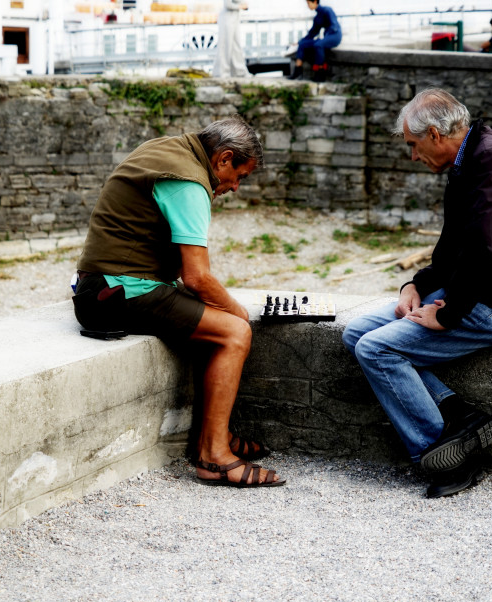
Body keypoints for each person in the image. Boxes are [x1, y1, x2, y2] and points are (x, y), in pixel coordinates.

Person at [342, 88, 492, 499]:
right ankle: (458, 414)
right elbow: (453, 251)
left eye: (412, 145)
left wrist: (448, 313)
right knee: (355, 334)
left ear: (435, 134)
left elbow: (488, 253)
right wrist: (416, 286)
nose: (412, 156)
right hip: (476, 292)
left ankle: (444, 452)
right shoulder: (469, 161)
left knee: (377, 350)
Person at [73, 116, 285, 488]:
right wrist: (239, 314)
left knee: (216, 327)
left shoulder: (164, 149)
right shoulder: (188, 180)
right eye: (240, 176)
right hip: (118, 292)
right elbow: (198, 277)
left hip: (104, 287)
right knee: (234, 332)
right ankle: (214, 458)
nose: (235, 187)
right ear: (224, 158)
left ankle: (214, 436)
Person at [289, 0, 342, 82]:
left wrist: (325, 38)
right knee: (303, 44)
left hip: (334, 36)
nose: (308, 6)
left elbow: (334, 26)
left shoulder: (327, 10)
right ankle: (297, 70)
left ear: (315, 2)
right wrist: (299, 42)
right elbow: (312, 33)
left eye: (308, 3)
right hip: (326, 37)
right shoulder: (317, 17)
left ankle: (320, 73)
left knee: (318, 45)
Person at [212, 0, 250, 78]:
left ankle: (239, 71)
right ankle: (222, 71)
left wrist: (244, 6)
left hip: (235, 18)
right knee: (225, 45)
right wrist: (241, 6)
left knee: (235, 46)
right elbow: (228, 5)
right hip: (227, 19)